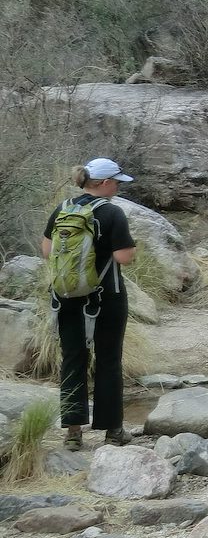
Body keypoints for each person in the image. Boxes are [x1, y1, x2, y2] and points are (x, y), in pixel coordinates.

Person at [41, 158, 138, 448]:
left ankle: (73, 432)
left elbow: (46, 250)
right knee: (108, 359)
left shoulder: (64, 208)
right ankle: (113, 431)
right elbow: (124, 257)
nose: (119, 186)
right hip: (105, 297)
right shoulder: (112, 213)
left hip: (67, 296)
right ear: (105, 183)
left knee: (72, 359)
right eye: (117, 181)